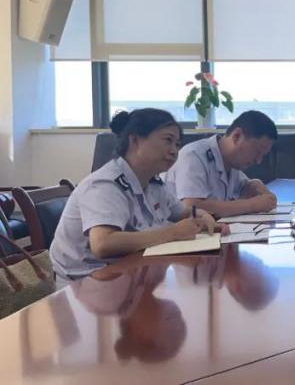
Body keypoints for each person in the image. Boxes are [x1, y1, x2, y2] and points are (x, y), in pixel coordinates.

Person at [50, 109, 222, 283]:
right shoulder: (105, 184)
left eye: (177, 144)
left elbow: (181, 212)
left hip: (130, 273)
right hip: (86, 284)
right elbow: (103, 244)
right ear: (135, 140)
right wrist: (173, 232)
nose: (174, 151)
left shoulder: (153, 182)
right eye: (168, 140)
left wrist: (200, 214)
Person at [165, 110, 278, 218]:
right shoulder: (193, 155)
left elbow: (245, 188)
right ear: (237, 136)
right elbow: (192, 207)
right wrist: (252, 205)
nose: (258, 160)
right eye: (257, 151)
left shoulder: (233, 164)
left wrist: (254, 184)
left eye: (263, 155)